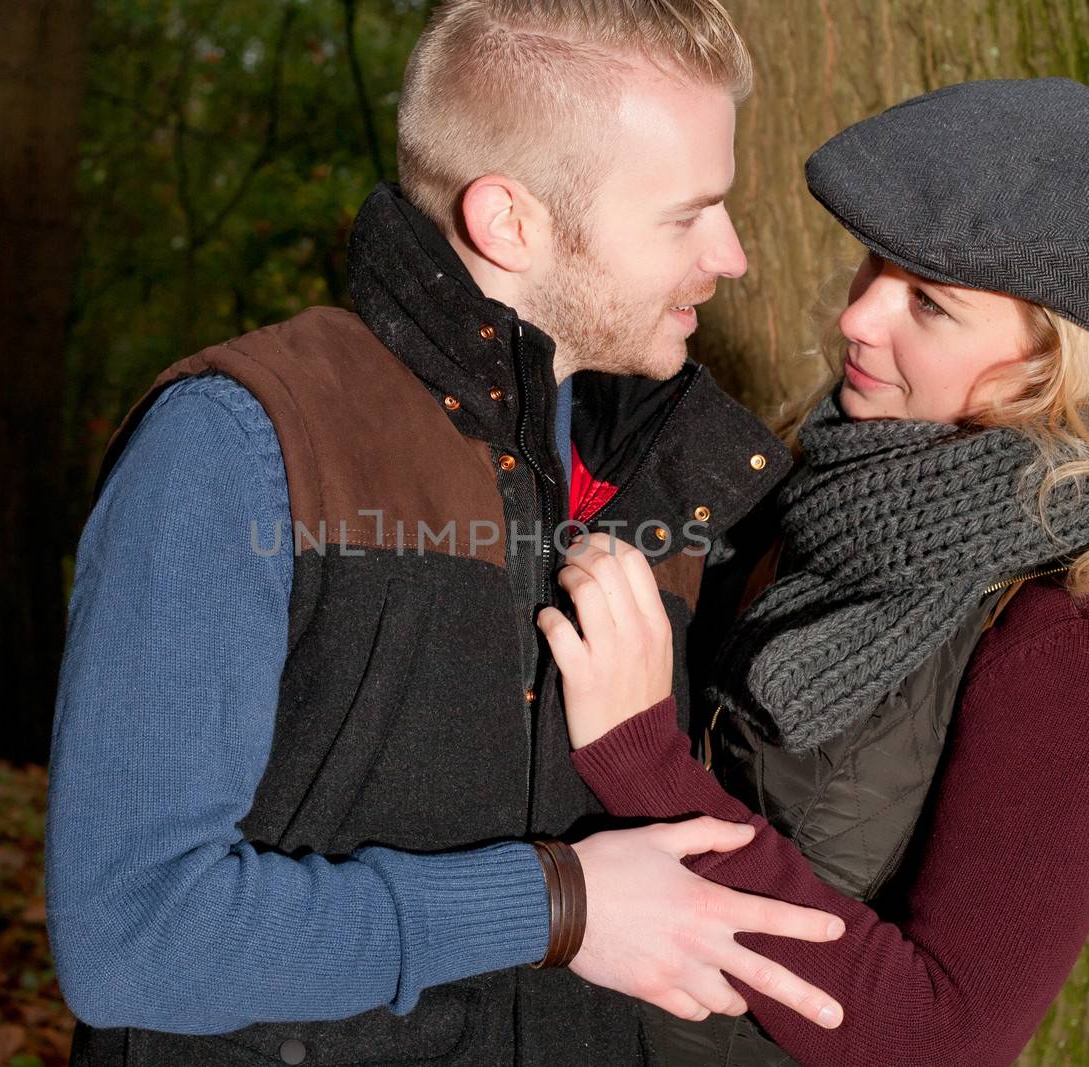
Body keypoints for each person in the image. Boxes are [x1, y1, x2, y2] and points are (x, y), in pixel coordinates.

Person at [44, 3, 851, 1065]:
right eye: (683, 216)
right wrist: (554, 903)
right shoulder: (241, 441)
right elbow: (133, 936)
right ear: (509, 221)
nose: (733, 254)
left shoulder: (673, 477)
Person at [541, 78, 1089, 1066]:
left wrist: (648, 767)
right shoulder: (827, 485)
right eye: (873, 267)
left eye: (929, 302)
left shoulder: (1078, 634)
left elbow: (947, 1034)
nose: (859, 316)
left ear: (1055, 365)